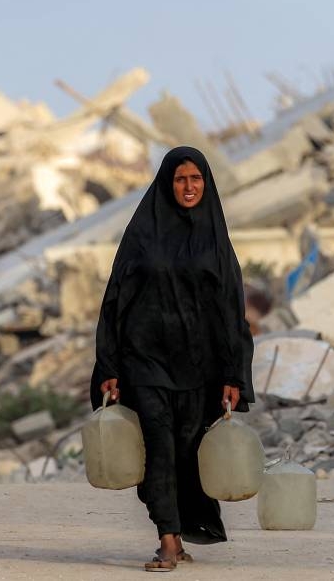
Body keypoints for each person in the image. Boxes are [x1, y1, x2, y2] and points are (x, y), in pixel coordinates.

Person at [89, 145, 255, 572]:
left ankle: (178, 535)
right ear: (167, 183)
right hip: (145, 362)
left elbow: (231, 310)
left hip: (200, 367)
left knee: (186, 454)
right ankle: (167, 539)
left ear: (206, 183)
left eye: (195, 179)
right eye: (180, 179)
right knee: (159, 450)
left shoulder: (214, 239)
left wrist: (234, 373)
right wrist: (108, 364)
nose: (188, 187)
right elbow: (116, 300)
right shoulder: (143, 234)